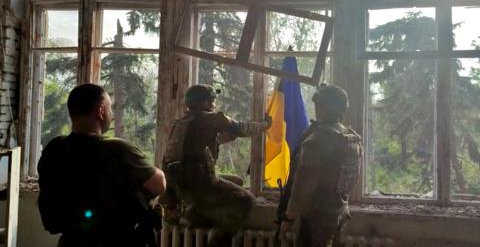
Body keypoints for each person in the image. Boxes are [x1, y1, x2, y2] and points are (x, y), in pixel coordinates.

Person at [37, 83, 167, 247]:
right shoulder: (118, 149)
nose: (111, 114)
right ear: (101, 111)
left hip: (71, 241)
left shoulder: (54, 148)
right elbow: (159, 185)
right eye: (110, 108)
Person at [161, 84, 271, 247]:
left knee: (237, 181)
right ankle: (218, 241)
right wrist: (265, 124)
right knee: (246, 199)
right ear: (203, 102)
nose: (213, 103)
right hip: (200, 182)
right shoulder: (210, 118)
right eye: (211, 100)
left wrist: (227, 137)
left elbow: (197, 146)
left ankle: (194, 213)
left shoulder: (181, 123)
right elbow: (242, 128)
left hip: (180, 186)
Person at [278, 84, 363, 247]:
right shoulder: (350, 137)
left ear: (322, 106)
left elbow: (302, 188)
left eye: (318, 104)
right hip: (338, 212)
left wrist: (288, 218)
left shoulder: (318, 141)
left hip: (315, 217)